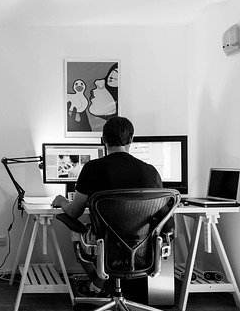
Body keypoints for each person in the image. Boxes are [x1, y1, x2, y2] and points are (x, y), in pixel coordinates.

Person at [51, 116, 162, 295]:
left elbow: (74, 212)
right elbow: (162, 216)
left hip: (106, 244)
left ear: (104, 140)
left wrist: (61, 200)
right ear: (131, 139)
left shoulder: (92, 168)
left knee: (75, 229)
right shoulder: (150, 171)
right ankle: (100, 284)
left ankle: (97, 284)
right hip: (143, 247)